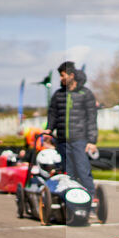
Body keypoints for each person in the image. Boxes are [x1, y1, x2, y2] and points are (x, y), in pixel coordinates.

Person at [46, 61, 98, 197]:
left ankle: (91, 202)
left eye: (62, 75)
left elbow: (92, 118)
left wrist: (92, 140)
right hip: (62, 141)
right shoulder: (58, 94)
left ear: (71, 75)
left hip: (80, 140)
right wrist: (49, 129)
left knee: (83, 171)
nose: (61, 79)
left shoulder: (85, 94)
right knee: (68, 175)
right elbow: (52, 114)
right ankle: (71, 204)